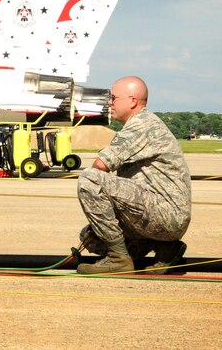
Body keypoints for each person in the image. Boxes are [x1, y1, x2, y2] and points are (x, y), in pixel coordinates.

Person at [75, 75, 192, 275]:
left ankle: (118, 259)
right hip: (162, 214)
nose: (109, 103)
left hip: (165, 214)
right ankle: (166, 249)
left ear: (132, 101)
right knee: (91, 238)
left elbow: (99, 167)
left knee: (89, 180)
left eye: (113, 98)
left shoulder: (141, 124)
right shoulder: (142, 123)